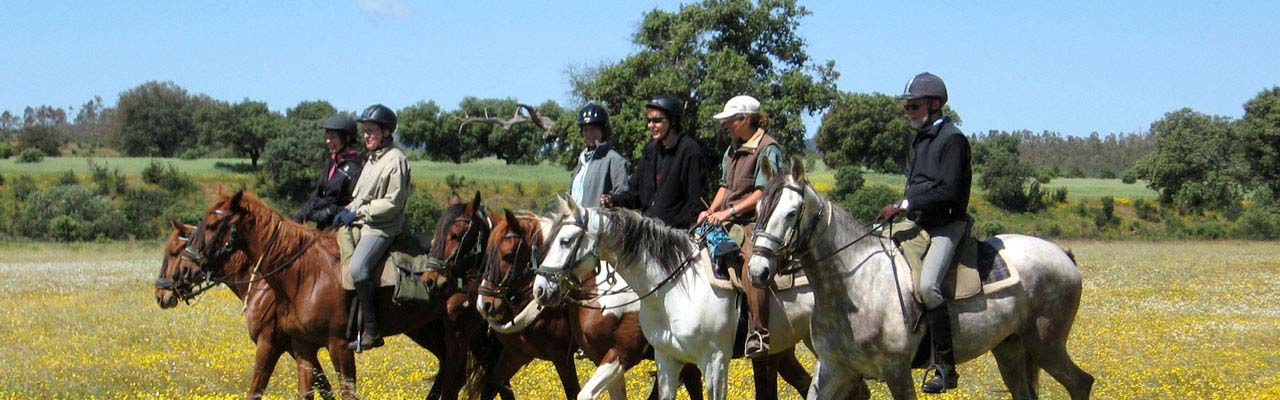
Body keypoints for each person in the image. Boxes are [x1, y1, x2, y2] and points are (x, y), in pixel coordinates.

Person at [878, 72, 972, 394]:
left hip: (946, 226)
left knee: (929, 286)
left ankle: (945, 369)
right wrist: (899, 206)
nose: (910, 113)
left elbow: (947, 190)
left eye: (914, 106)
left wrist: (905, 203)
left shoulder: (953, 140)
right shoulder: (919, 140)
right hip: (917, 224)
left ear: (934, 105)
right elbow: (916, 187)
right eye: (908, 107)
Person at [696, 95, 782, 360]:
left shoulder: (768, 148)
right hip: (727, 218)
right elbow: (725, 186)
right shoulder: (732, 148)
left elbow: (762, 192)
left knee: (751, 267)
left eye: (729, 121)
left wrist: (728, 213)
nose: (725, 126)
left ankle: (759, 334)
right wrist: (711, 211)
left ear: (745, 119)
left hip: (754, 222)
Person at [331, 104, 411, 352]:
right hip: (363, 222)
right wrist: (345, 211)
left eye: (371, 131)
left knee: (358, 267)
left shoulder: (395, 160)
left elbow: (393, 203)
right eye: (364, 131)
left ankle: (372, 330)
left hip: (382, 228)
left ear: (386, 133)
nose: (366, 136)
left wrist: (358, 212)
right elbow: (360, 196)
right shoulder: (372, 160)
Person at [600, 94, 706, 230]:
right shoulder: (650, 150)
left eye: (657, 120)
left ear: (673, 121)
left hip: (678, 236)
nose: (651, 125)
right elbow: (634, 193)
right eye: (649, 120)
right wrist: (613, 200)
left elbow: (696, 200)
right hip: (650, 234)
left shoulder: (690, 151)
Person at [292, 113, 363, 230]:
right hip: (323, 225)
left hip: (341, 226)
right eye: (327, 137)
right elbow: (318, 193)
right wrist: (300, 215)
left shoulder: (356, 169)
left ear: (347, 138)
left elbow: (354, 203)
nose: (328, 141)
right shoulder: (332, 161)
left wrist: (330, 212)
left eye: (333, 137)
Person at [568, 103, 628, 208]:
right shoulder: (582, 160)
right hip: (575, 221)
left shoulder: (614, 159)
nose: (589, 134)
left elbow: (622, 196)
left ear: (603, 130)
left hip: (599, 222)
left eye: (593, 129)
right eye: (586, 130)